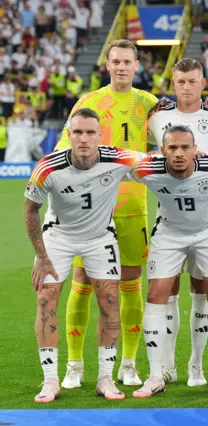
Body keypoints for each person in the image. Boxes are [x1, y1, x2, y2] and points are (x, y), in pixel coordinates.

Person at [56, 40, 158, 389]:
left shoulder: (149, 104)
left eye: (127, 62)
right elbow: (63, 148)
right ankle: (74, 365)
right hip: (93, 213)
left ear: (136, 64)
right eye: (115, 62)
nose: (121, 67)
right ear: (107, 64)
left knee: (130, 286)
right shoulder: (89, 102)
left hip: (133, 209)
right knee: (83, 284)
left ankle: (128, 364)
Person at [24, 108, 144, 403]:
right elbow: (30, 210)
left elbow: (154, 163)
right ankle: (50, 380)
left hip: (100, 237)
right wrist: (41, 256)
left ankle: (105, 378)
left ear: (99, 136)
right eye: (77, 132)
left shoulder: (117, 158)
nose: (84, 138)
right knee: (45, 299)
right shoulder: (48, 167)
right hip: (58, 236)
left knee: (110, 300)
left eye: (90, 132)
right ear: (69, 135)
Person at [130, 125, 208, 399]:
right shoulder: (147, 169)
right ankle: (156, 375)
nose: (179, 153)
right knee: (156, 296)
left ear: (196, 149)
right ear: (162, 151)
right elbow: (109, 165)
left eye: (185, 147)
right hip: (168, 233)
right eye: (172, 148)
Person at [147, 58, 208, 387]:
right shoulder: (158, 116)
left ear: (202, 83)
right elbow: (149, 159)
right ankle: (165, 366)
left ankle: (196, 366)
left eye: (192, 81)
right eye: (180, 81)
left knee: (204, 290)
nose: (186, 87)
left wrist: (203, 175)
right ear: (173, 82)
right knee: (165, 290)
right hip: (168, 212)